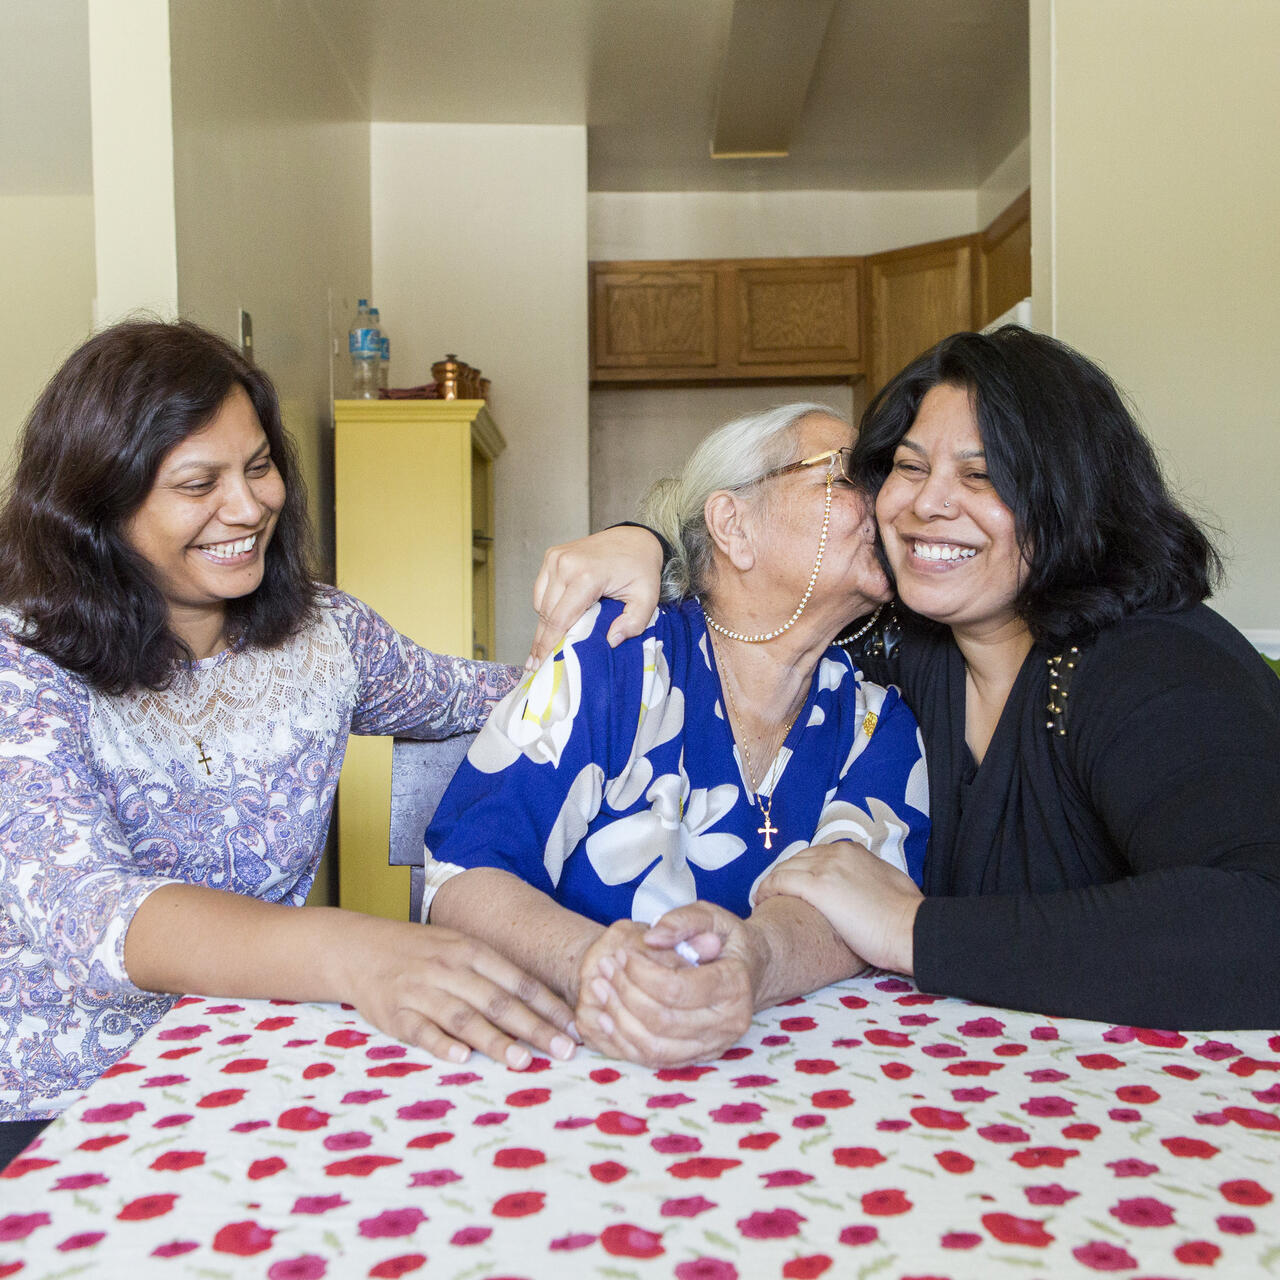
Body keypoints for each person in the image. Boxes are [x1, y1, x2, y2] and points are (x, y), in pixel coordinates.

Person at [528, 328, 1280, 1031]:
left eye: (982, 476)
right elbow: (760, 613)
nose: (926, 503)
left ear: (1072, 501)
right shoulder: (909, 650)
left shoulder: (1150, 660)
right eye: (910, 467)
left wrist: (910, 930)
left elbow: (1258, 920)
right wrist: (652, 545)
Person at [0, 320, 575, 1170]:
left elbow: (490, 695)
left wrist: (632, 570)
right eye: (199, 482)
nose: (249, 507)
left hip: (256, 1067)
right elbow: (91, 915)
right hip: (61, 1107)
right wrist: (358, 948)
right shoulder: (23, 663)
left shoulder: (325, 635)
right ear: (98, 508)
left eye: (260, 466)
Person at [424, 404, 929, 1066]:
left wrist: (754, 960)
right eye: (844, 476)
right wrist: (594, 967)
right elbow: (464, 875)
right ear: (733, 526)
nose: (885, 501)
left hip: (787, 1088)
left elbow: (870, 910)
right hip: (569, 1063)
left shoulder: (876, 722)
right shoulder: (618, 659)